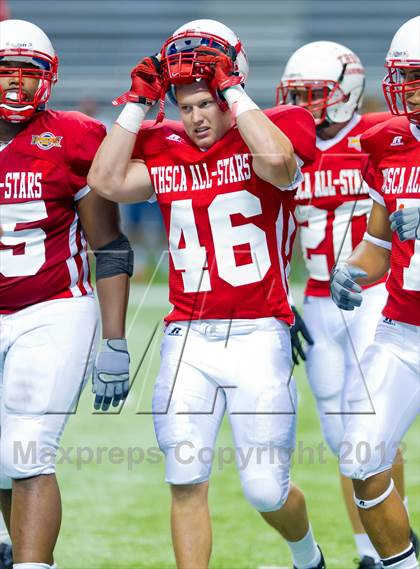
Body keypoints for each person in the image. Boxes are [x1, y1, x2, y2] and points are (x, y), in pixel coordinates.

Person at [88, 17, 327, 569]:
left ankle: (306, 555)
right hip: (187, 336)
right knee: (185, 477)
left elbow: (281, 166)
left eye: (205, 102)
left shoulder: (274, 127)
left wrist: (233, 89)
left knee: (266, 488)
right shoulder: (165, 146)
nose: (195, 117)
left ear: (228, 90)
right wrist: (135, 102)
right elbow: (104, 181)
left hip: (259, 331)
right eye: (184, 104)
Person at [278, 40, 418, 568]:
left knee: (369, 427)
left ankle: (393, 541)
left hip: (377, 301)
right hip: (324, 296)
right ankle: (372, 549)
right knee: (346, 439)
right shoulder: (289, 147)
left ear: (346, 91)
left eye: (314, 94)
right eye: (295, 95)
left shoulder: (375, 135)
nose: (305, 106)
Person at [0, 19, 132, 569]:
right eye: (4, 73)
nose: (14, 86)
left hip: (53, 307)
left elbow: (111, 246)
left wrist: (116, 341)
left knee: (26, 449)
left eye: (26, 74)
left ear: (47, 80)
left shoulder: (74, 136)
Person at [330, 15, 420, 569]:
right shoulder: (386, 142)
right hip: (404, 330)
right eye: (407, 78)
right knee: (361, 456)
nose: (410, 91)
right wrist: (353, 271)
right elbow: (378, 246)